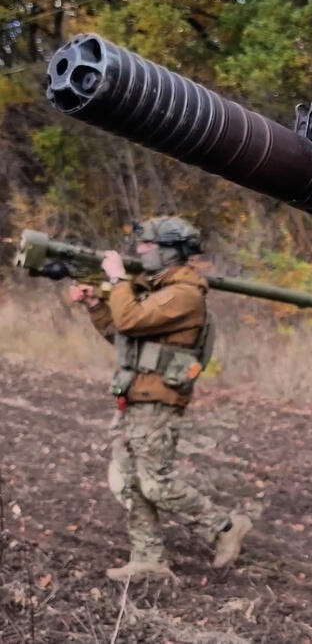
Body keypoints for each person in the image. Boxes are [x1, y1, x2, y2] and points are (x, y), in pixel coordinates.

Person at [69, 216, 252, 581]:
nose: (139, 252)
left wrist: (117, 280)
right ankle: (148, 558)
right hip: (134, 396)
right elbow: (123, 336)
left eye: (147, 247)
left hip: (158, 401)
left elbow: (130, 320)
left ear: (170, 253)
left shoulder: (183, 295)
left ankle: (226, 525)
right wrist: (95, 305)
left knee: (156, 482)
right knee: (128, 482)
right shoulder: (153, 290)